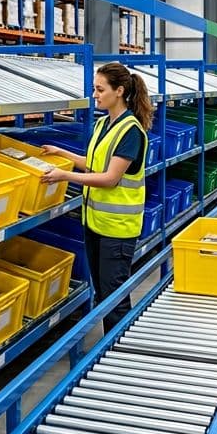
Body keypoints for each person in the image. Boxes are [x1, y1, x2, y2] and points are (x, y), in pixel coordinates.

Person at [39, 62, 152, 334]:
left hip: (117, 229)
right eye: (94, 89)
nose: (95, 95)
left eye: (100, 89)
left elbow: (110, 178)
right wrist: (61, 153)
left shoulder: (131, 132)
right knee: (103, 293)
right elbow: (93, 165)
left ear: (120, 91)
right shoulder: (103, 124)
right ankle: (109, 346)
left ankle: (120, 353)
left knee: (114, 295)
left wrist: (64, 177)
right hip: (95, 223)